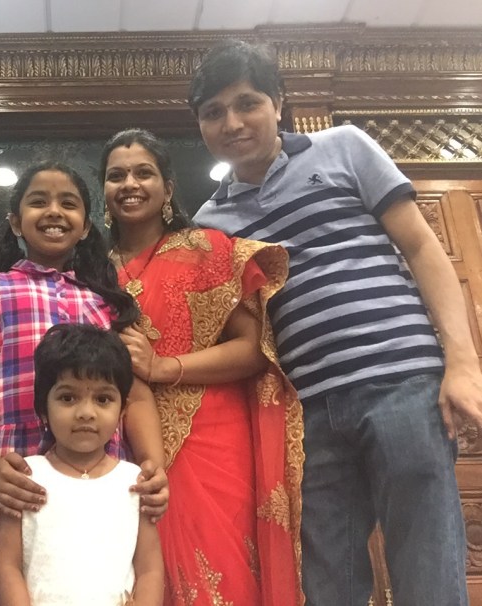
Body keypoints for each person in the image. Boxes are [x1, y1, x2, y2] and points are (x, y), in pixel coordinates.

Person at [189, 39, 482, 606]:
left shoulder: (344, 146)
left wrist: (463, 363)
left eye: (247, 103)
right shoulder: (210, 223)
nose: (232, 123)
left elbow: (423, 247)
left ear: (278, 103)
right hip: (305, 413)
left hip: (403, 383)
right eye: (213, 112)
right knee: (328, 584)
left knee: (427, 568)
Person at [0, 161, 167, 606]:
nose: (54, 211)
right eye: (38, 202)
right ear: (15, 221)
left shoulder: (106, 304)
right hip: (11, 475)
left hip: (98, 476)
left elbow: (135, 395)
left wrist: (153, 465)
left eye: (68, 204)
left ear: (86, 227)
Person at [101, 128, 303, 605]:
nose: (129, 184)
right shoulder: (93, 270)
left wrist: (163, 366)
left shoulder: (208, 249)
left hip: (212, 434)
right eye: (116, 175)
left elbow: (253, 349)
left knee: (223, 572)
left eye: (144, 173)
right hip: (123, 439)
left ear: (168, 188)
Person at [0, 323, 164, 606]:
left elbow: (150, 570)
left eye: (103, 399)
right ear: (43, 409)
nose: (86, 412)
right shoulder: (25, 478)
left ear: (122, 410)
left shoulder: (135, 482)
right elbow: (7, 565)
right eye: (68, 398)